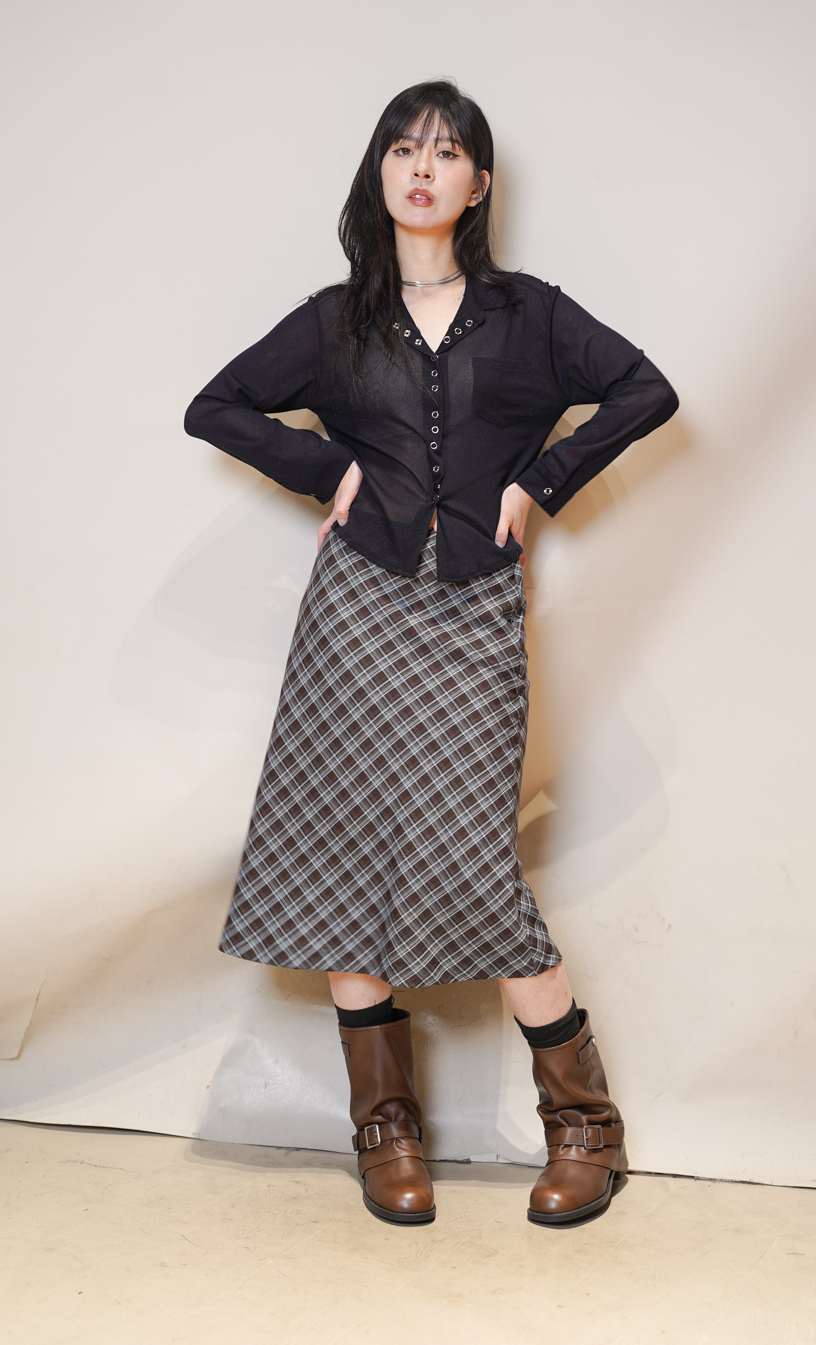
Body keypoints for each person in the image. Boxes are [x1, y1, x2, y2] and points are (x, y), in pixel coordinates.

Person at [184, 79, 678, 1229]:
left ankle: (585, 1129)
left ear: (478, 182)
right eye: (403, 148)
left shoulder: (531, 315)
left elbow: (642, 390)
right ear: (379, 174)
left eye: (446, 152)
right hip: (353, 614)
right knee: (342, 848)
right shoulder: (334, 320)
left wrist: (540, 482)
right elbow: (216, 406)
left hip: (471, 610)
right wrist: (328, 470)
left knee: (470, 857)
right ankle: (386, 1130)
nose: (421, 167)